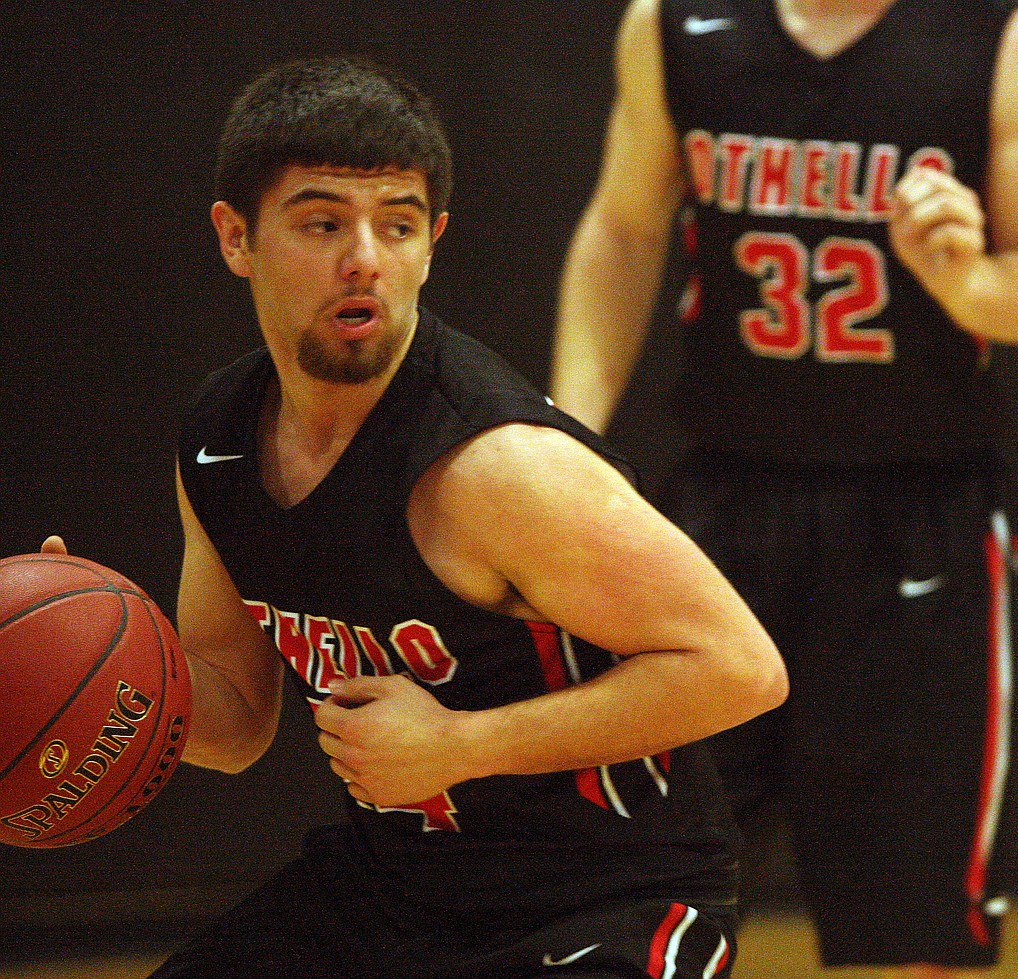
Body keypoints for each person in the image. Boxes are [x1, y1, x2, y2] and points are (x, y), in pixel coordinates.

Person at [47, 55, 789, 978]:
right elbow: (236, 720)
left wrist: (457, 744)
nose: (364, 257)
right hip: (399, 887)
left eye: (396, 226)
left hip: (610, 894)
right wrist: (94, 669)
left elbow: (741, 669)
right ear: (236, 237)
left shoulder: (498, 466)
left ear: (432, 240)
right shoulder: (219, 443)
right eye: (322, 223)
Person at [549, 1, 1018, 975]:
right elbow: (622, 231)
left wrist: (962, 278)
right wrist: (566, 433)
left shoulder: (1001, 41)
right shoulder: (672, 25)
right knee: (646, 870)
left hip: (922, 519)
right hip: (723, 506)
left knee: (922, 915)